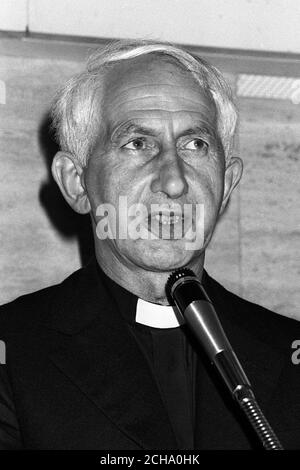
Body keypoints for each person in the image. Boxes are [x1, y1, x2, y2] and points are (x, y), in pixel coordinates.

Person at [0, 40, 299, 450]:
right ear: (76, 181)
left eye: (196, 145)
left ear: (226, 184)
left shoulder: (290, 353)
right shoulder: (13, 352)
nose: (174, 181)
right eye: (137, 143)